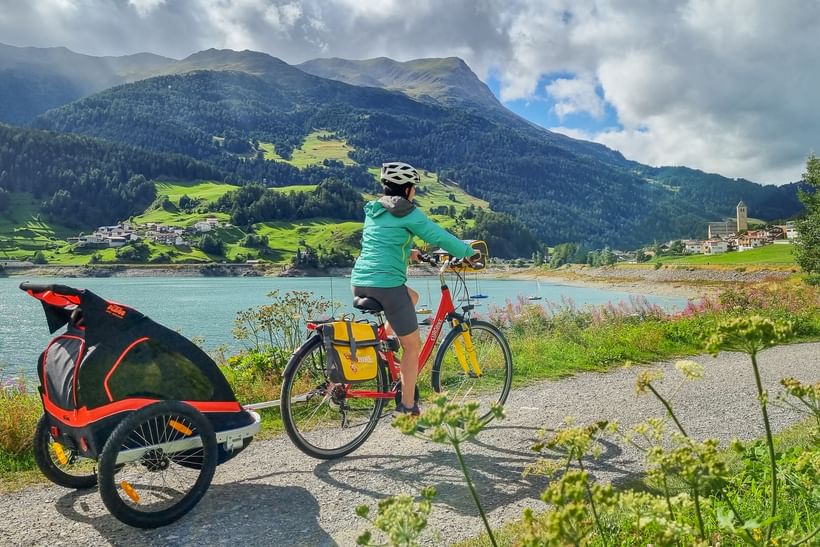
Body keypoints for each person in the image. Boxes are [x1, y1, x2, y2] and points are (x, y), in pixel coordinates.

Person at [350, 162, 477, 416]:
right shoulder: (407, 212)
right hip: (387, 286)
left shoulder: (373, 210)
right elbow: (437, 235)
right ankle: (407, 406)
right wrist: (468, 253)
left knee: (413, 296)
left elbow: (382, 242)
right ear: (407, 189)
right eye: (414, 188)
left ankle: (385, 339)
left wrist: (410, 252)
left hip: (359, 281)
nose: (414, 193)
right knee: (412, 346)